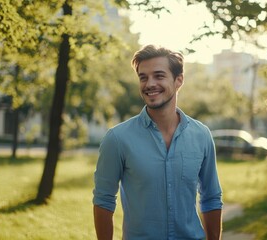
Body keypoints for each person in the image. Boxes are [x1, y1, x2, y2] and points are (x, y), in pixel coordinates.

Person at [93, 44, 223, 240]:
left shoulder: (202, 135)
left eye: (159, 76)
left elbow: (211, 197)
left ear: (179, 80)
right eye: (143, 77)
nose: (149, 84)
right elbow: (103, 200)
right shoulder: (117, 139)